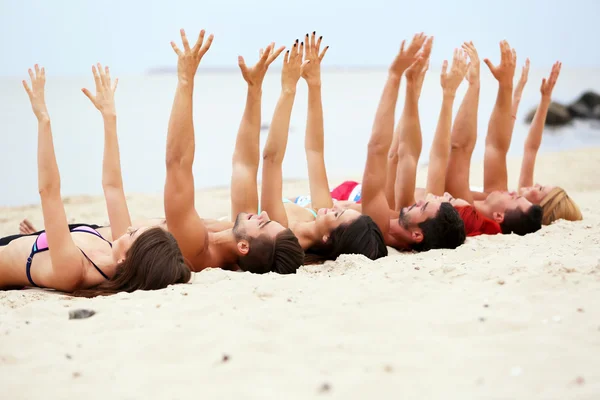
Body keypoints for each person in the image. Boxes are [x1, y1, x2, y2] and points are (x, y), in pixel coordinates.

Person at [0, 64, 190, 296]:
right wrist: (109, 118)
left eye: (132, 234)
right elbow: (112, 187)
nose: (129, 228)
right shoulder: (118, 252)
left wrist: (43, 119)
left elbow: (48, 191)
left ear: (126, 259)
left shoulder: (74, 270)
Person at [163, 29, 304, 274]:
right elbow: (244, 166)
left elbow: (177, 163)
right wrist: (255, 89)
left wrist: (186, 80)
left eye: (264, 224)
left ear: (243, 247)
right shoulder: (237, 229)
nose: (263, 214)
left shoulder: (194, 248)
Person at [254, 33, 387, 264]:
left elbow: (271, 160)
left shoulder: (281, 230)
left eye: (336, 214)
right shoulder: (320, 212)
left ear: (328, 238)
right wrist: (314, 85)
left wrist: (288, 89)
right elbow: (314, 150)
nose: (334, 206)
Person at [361, 34, 465, 251]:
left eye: (423, 206)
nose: (419, 200)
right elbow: (406, 156)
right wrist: (411, 88)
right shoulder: (400, 216)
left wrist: (394, 76)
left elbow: (378, 150)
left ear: (417, 234)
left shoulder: (378, 226)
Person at [446, 40, 543, 236]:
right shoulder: (492, 197)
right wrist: (505, 85)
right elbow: (496, 147)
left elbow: (459, 148)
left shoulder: (466, 208)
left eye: (515, 199)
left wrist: (474, 85)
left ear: (499, 216)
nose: (515, 192)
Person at [512, 61, 583, 225]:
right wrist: (545, 100)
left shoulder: (510, 217)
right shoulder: (521, 200)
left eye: (541, 189)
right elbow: (531, 149)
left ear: (541, 209)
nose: (535, 184)